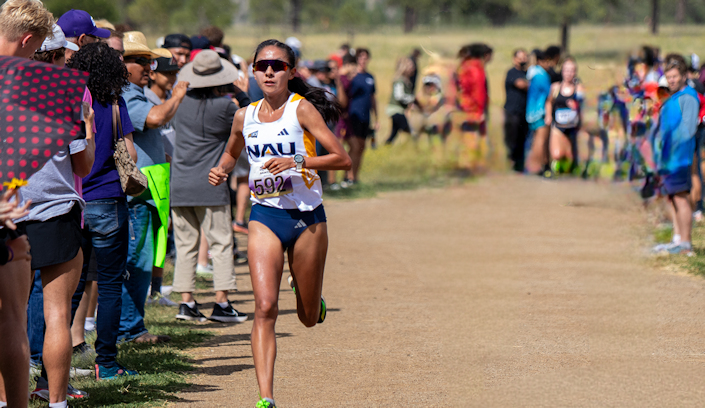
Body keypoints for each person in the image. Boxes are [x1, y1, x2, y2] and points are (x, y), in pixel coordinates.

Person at [209, 39, 351, 408]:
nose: (269, 72)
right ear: (253, 71)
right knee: (266, 307)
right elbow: (232, 150)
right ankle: (266, 397)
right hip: (266, 216)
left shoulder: (301, 110)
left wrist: (298, 163)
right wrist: (222, 169)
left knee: (305, 318)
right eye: (262, 66)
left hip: (307, 219)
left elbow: (341, 158)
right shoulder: (245, 115)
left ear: (290, 72)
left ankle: (311, 301)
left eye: (277, 66)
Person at [23, 25, 93, 405]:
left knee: (9, 318)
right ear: (52, 55)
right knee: (56, 314)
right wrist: (91, 132)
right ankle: (56, 400)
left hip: (11, 210)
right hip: (56, 210)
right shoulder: (66, 94)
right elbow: (82, 166)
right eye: (64, 56)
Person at [66, 42, 140, 379]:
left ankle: (52, 359)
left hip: (74, 201)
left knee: (70, 286)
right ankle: (107, 363)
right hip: (109, 200)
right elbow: (131, 155)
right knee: (110, 284)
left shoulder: (66, 101)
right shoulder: (114, 103)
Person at [170, 50, 250, 323]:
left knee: (185, 246)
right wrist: (241, 93)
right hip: (210, 183)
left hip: (179, 184)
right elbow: (251, 121)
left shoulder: (178, 103)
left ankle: (187, 302)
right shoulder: (227, 107)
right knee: (221, 243)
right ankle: (222, 303)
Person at [0, 1, 52, 405]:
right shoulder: (26, 85)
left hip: (9, 209)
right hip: (9, 215)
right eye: (35, 51)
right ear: (28, 40)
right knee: (14, 321)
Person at [120, 31, 184, 344]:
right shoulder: (128, 93)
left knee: (145, 257)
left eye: (150, 61)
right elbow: (155, 118)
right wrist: (178, 95)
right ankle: (129, 329)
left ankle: (133, 326)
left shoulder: (137, 91)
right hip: (137, 192)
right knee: (136, 259)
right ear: (123, 63)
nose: (150, 67)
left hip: (148, 190)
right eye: (142, 61)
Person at [652, 55, 700, 255]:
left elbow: (688, 130)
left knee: (681, 198)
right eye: (668, 77)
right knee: (673, 198)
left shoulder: (689, 96)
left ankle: (686, 244)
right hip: (669, 159)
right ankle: (677, 239)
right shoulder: (673, 97)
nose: (671, 80)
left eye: (675, 76)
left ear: (683, 76)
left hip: (680, 158)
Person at [545, 57, 584, 175]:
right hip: (558, 126)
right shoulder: (555, 87)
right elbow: (548, 102)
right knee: (557, 154)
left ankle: (566, 177)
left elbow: (585, 106)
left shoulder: (579, 88)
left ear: (575, 72)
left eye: (572, 71)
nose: (569, 73)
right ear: (562, 71)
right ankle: (553, 171)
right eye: (566, 70)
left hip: (572, 127)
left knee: (569, 157)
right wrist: (548, 116)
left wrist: (576, 105)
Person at [347, 48, 378, 183]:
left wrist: (377, 118)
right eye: (361, 57)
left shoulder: (370, 77)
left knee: (361, 147)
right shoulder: (352, 77)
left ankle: (355, 176)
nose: (363, 60)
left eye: (366, 58)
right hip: (353, 115)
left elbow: (373, 98)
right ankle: (348, 176)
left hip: (366, 117)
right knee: (353, 147)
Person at [456, 43, 489, 170]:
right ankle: (470, 168)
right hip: (473, 110)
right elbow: (478, 92)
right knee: (473, 139)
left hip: (462, 108)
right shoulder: (476, 69)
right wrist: (480, 112)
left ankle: (464, 165)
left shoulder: (464, 65)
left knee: (465, 138)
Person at [525, 50, 553, 175]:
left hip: (531, 112)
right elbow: (549, 95)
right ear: (540, 61)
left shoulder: (531, 73)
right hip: (540, 111)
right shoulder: (542, 75)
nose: (549, 64)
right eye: (547, 61)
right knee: (542, 140)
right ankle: (539, 167)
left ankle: (535, 166)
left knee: (536, 139)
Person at [504, 48, 529, 172]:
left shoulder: (527, 73)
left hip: (524, 114)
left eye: (525, 57)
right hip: (512, 114)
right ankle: (509, 167)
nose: (523, 60)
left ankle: (519, 169)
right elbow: (521, 84)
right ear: (514, 59)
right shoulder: (512, 72)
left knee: (521, 143)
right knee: (511, 143)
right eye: (521, 57)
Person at [385, 57, 416, 145]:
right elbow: (399, 96)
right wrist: (412, 99)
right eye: (410, 66)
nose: (412, 68)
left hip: (399, 110)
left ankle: (386, 146)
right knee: (410, 130)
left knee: (393, 133)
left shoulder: (406, 80)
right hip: (396, 110)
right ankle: (414, 148)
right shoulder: (399, 81)